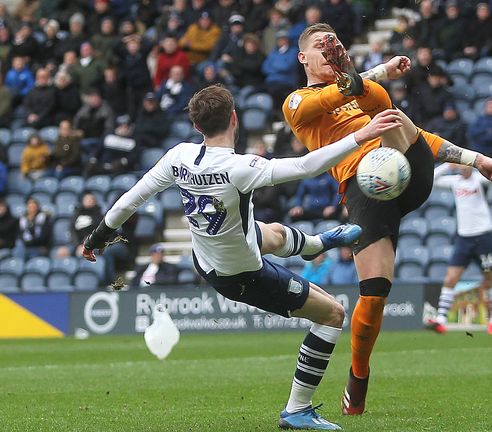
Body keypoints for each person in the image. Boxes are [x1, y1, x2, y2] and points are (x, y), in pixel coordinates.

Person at [81, 84, 404, 430]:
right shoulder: (241, 167)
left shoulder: (178, 156)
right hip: (242, 276)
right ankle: (297, 410)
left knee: (273, 232)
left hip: (207, 256)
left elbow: (130, 199)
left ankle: (317, 243)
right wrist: (362, 134)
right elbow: (307, 166)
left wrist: (97, 238)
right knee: (332, 314)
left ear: (196, 127)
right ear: (235, 118)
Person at [282, 24, 492, 416]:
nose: (330, 50)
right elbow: (335, 95)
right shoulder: (296, 103)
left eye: (336, 45)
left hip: (404, 171)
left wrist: (476, 159)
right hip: (363, 188)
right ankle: (358, 375)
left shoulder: (361, 96)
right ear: (303, 57)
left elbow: (416, 134)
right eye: (321, 46)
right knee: (375, 293)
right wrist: (372, 72)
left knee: (396, 118)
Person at [427, 164, 492, 336]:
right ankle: (441, 319)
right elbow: (431, 179)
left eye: (466, 165)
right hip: (463, 238)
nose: (463, 169)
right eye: (460, 166)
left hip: (483, 236)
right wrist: (447, 165)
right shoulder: (455, 182)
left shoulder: (479, 180)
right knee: (451, 277)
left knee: (489, 278)